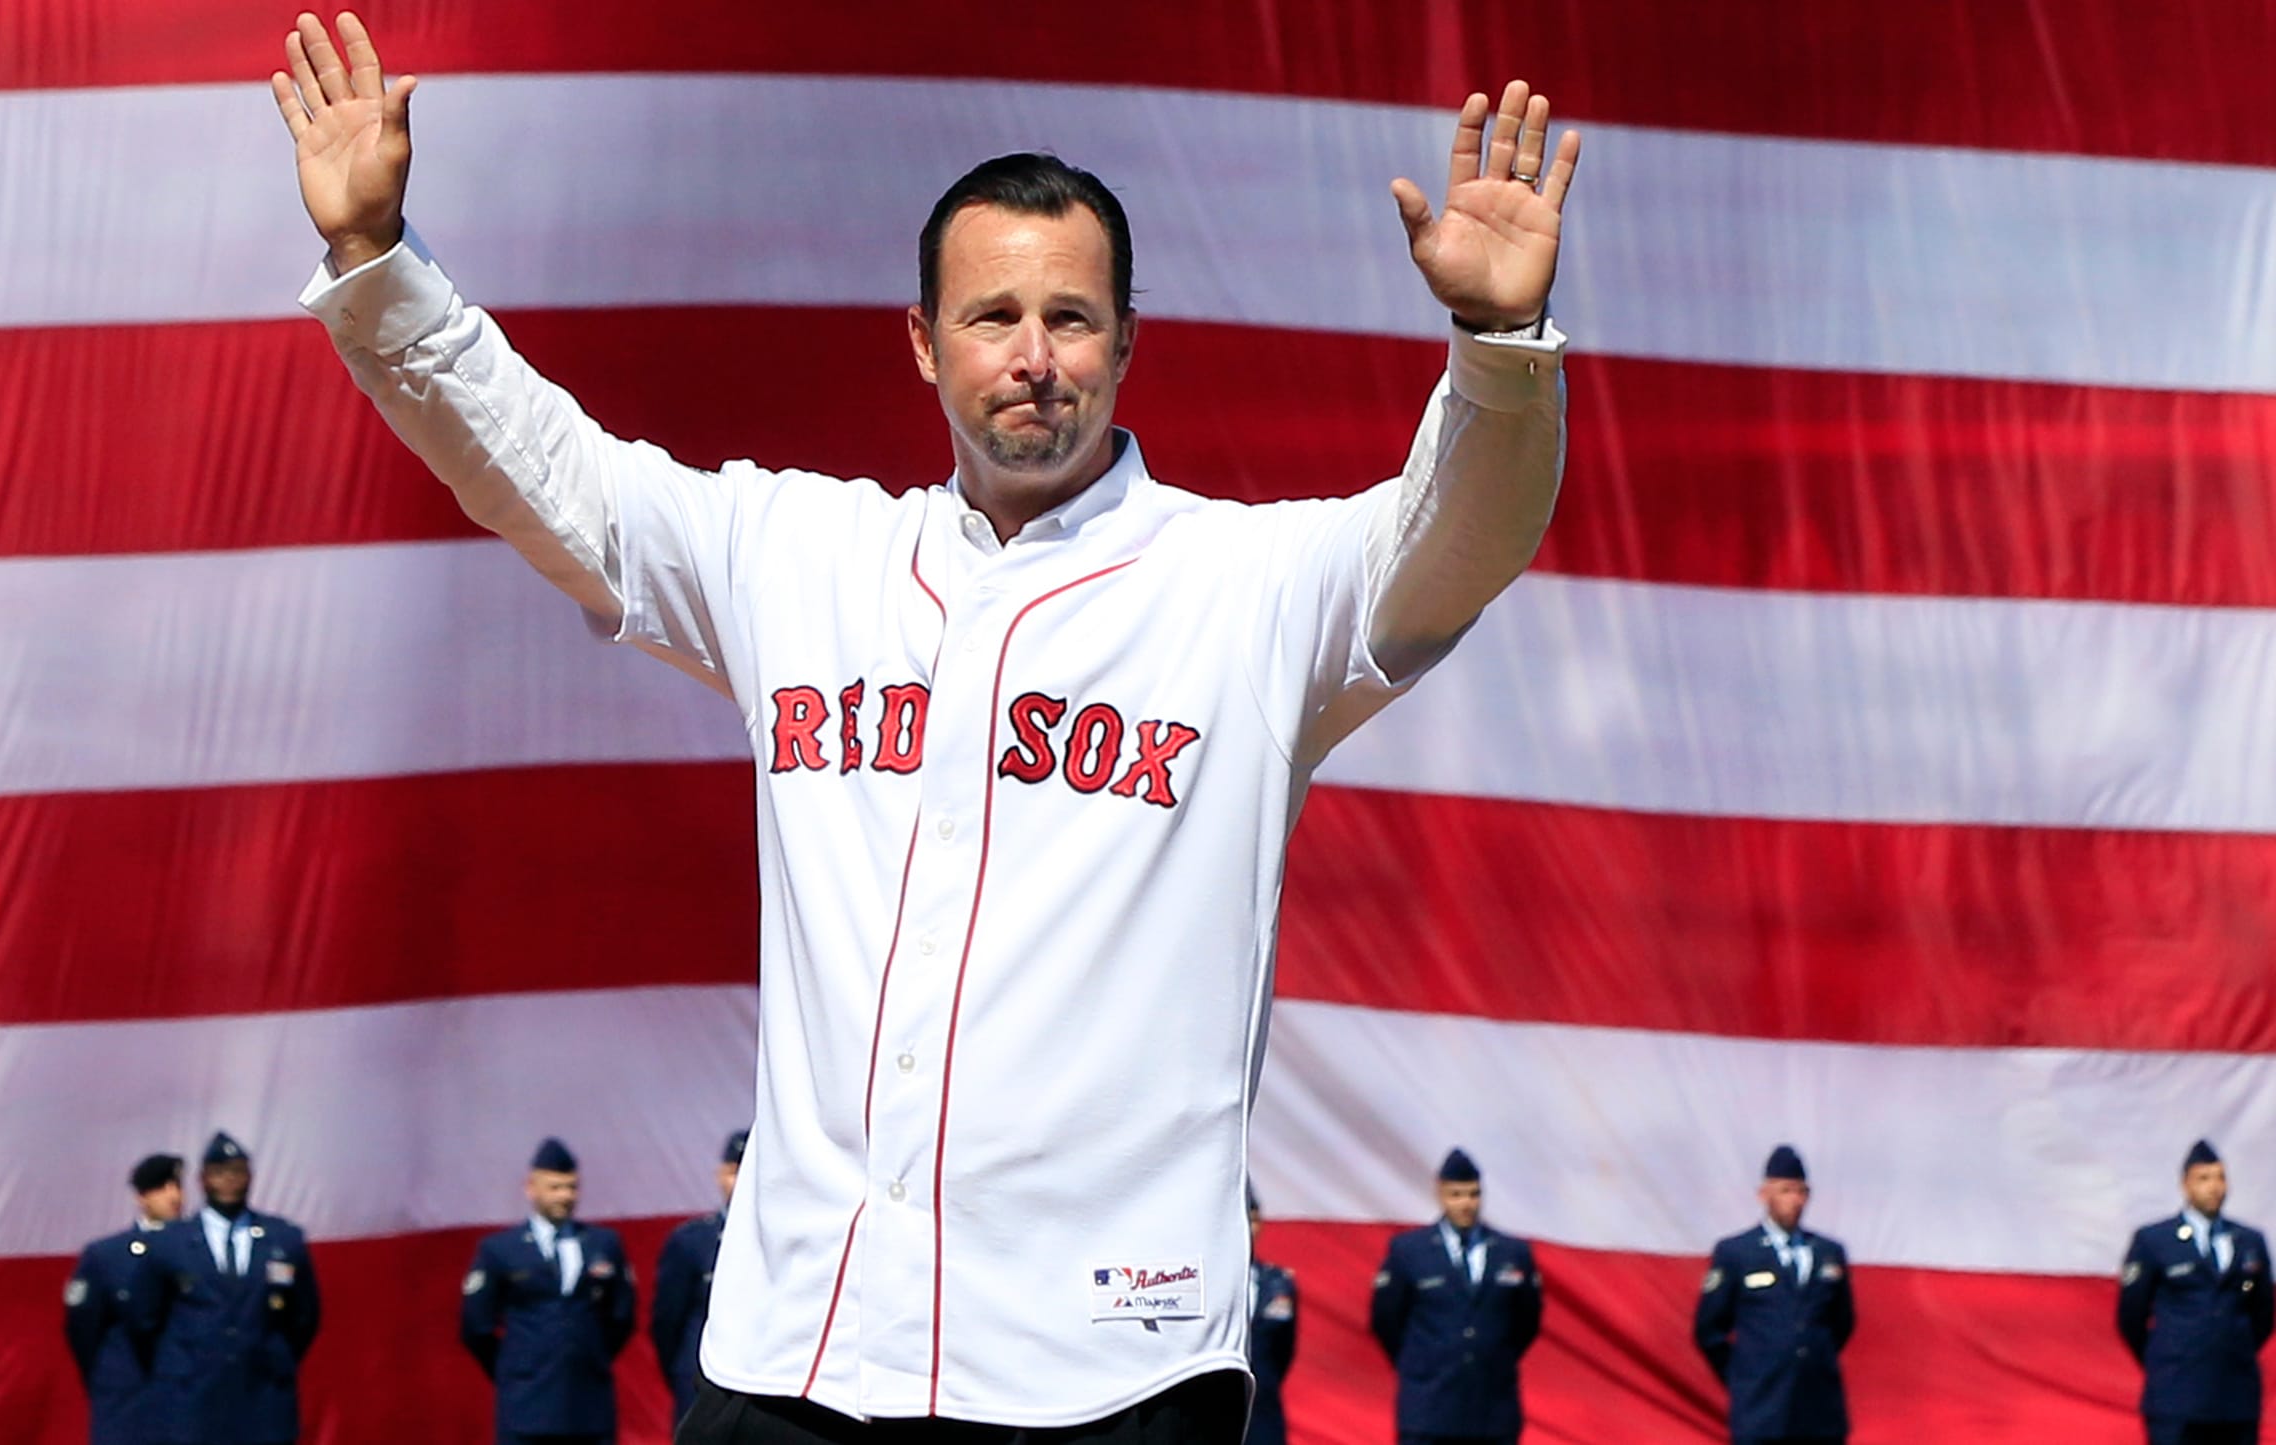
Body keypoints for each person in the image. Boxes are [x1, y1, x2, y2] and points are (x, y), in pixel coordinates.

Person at [275, 11, 1574, 1437]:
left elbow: (1462, 538)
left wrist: (1499, 343)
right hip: (791, 1359)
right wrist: (375, 264)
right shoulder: (801, 556)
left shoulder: (1248, 586)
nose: (1034, 356)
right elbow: (550, 473)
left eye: (1071, 318)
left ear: (1128, 340)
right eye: (993, 316)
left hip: (1103, 1373)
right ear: (921, 340)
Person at [126, 1132, 321, 1445]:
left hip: (263, 1401)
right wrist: (183, 1362)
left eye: (237, 1171)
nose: (229, 1180)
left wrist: (269, 1355)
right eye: (219, 1172)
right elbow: (143, 1320)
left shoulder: (283, 1239)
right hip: (191, 1403)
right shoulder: (169, 1243)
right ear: (203, 1179)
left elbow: (304, 1317)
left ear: (250, 1176)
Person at [461, 1138, 637, 1444]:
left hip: (588, 1404)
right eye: (555, 1187)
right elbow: (476, 1326)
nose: (566, 1196)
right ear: (531, 1187)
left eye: (572, 1187)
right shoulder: (501, 1250)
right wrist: (515, 1367)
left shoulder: (602, 1244)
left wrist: (589, 1354)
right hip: (526, 1405)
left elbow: (621, 1315)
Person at [1369, 1150, 1542, 1444]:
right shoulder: (1409, 1251)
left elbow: (1526, 1321)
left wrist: (1489, 1354)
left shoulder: (1511, 1253)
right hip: (1429, 1409)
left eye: (1473, 1194)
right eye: (1457, 1194)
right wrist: (1423, 1362)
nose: (1466, 1204)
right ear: (1440, 1193)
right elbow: (1385, 1321)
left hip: (1492, 1411)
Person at [1693, 1146, 1854, 1445]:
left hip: (1818, 1410)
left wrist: (1811, 1357)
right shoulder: (1737, 1253)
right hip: (1762, 1409)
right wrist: (1745, 1375)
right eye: (1785, 1190)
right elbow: (1709, 1330)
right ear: (1764, 1194)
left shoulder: (1827, 1253)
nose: (1794, 1200)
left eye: (1801, 1192)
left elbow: (1841, 1323)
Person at [2117, 1140, 2273, 1445]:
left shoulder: (2249, 1241)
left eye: (2220, 1177)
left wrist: (2229, 1348)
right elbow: (2131, 1317)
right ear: (2185, 1184)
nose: (2214, 1187)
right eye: (2203, 1178)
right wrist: (2166, 1355)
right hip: (2176, 1395)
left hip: (2235, 1396)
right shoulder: (2155, 1240)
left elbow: (2263, 1314)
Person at [63, 1153, 186, 1445]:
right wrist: (109, 1378)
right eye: (161, 1186)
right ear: (141, 1196)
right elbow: (83, 1330)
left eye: (177, 1185)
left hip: (189, 1399)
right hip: (129, 1401)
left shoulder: (202, 1250)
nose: (173, 1194)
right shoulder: (107, 1255)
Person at [654, 1130, 748, 1424]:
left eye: (750, 1169)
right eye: (735, 1171)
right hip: (702, 1385)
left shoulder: (789, 1237)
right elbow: (667, 1323)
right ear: (720, 1175)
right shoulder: (691, 1241)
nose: (742, 1180)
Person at [1242, 1185, 1295, 1445]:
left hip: (1263, 1413)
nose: (1249, 1228)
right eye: (1242, 1218)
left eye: (1254, 1219)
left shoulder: (1278, 1282)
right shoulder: (1207, 1284)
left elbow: (1283, 1352)